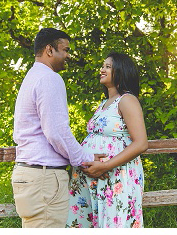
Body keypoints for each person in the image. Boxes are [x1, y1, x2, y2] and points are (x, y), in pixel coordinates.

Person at [12, 28, 94, 228]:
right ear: (49, 50)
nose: (67, 56)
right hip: (44, 179)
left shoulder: (32, 77)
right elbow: (56, 131)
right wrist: (84, 159)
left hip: (28, 174)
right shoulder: (50, 79)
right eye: (64, 50)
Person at [67, 52, 147, 228]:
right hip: (93, 177)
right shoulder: (104, 103)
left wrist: (105, 166)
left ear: (121, 71)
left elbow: (141, 143)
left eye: (107, 67)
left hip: (115, 174)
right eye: (102, 66)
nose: (102, 69)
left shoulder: (127, 100)